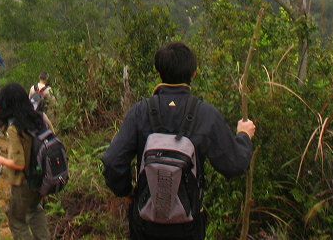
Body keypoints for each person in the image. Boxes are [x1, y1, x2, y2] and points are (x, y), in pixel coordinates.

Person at [101, 42, 256, 240]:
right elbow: (234, 164)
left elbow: (112, 161)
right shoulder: (205, 115)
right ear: (194, 74)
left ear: (159, 72)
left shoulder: (140, 112)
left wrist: (129, 192)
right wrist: (244, 135)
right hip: (188, 227)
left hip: (145, 225)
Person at [0, 83, 50, 240]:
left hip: (24, 181)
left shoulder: (15, 128)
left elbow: (19, 163)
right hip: (42, 177)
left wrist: (0, 159)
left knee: (17, 221)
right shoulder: (40, 118)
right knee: (34, 209)